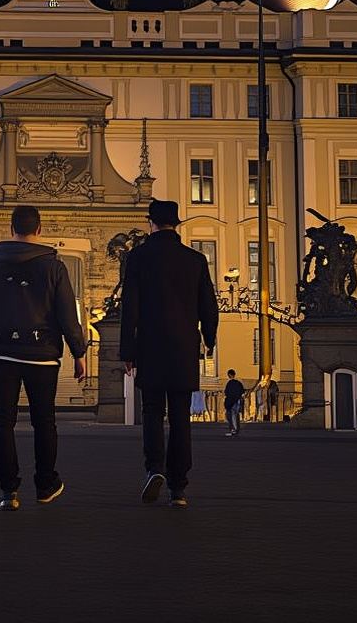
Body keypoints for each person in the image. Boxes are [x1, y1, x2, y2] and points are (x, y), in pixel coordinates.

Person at [0, 205, 87, 510]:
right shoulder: (54, 266)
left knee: (3, 422)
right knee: (44, 421)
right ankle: (45, 484)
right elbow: (67, 314)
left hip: (2, 352)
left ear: (11, 229)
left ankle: (8, 490)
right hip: (42, 354)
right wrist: (79, 352)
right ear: (39, 229)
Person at [121, 199, 219, 509]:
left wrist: (127, 350)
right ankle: (179, 487)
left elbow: (130, 308)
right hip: (183, 347)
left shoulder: (137, 257)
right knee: (180, 417)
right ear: (176, 224)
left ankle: (155, 468)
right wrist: (209, 338)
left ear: (151, 223)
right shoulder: (195, 260)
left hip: (150, 345)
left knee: (152, 411)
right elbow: (209, 305)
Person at [223, 369, 245, 437]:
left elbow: (227, 393)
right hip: (237, 401)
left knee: (232, 416)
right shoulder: (238, 383)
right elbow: (242, 392)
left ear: (229, 375)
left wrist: (228, 403)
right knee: (236, 416)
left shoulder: (229, 383)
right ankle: (235, 430)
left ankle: (234, 430)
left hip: (231, 402)